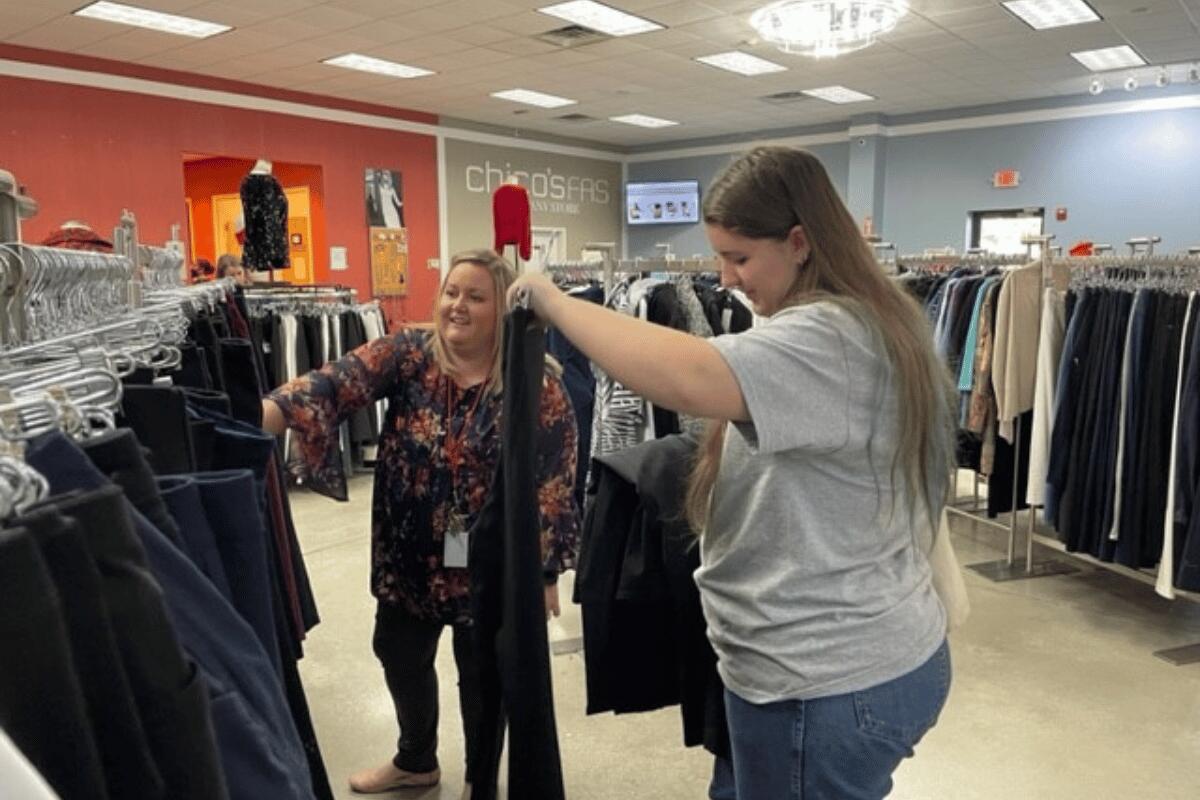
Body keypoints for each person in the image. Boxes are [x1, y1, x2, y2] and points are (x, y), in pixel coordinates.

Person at [510, 146, 955, 800]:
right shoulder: (864, 321)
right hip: (827, 666)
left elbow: (688, 374)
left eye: (740, 257)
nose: (725, 278)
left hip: (823, 681)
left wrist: (550, 298)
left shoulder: (830, 337)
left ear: (800, 242)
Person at [261, 249, 579, 796]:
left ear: (502, 307)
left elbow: (553, 481)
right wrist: (264, 414)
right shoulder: (410, 354)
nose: (457, 305)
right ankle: (415, 759)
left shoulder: (536, 386)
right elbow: (337, 382)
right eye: (451, 292)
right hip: (408, 554)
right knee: (398, 653)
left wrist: (546, 572)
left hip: (488, 564)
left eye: (476, 296)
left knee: (482, 679)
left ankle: (481, 780)